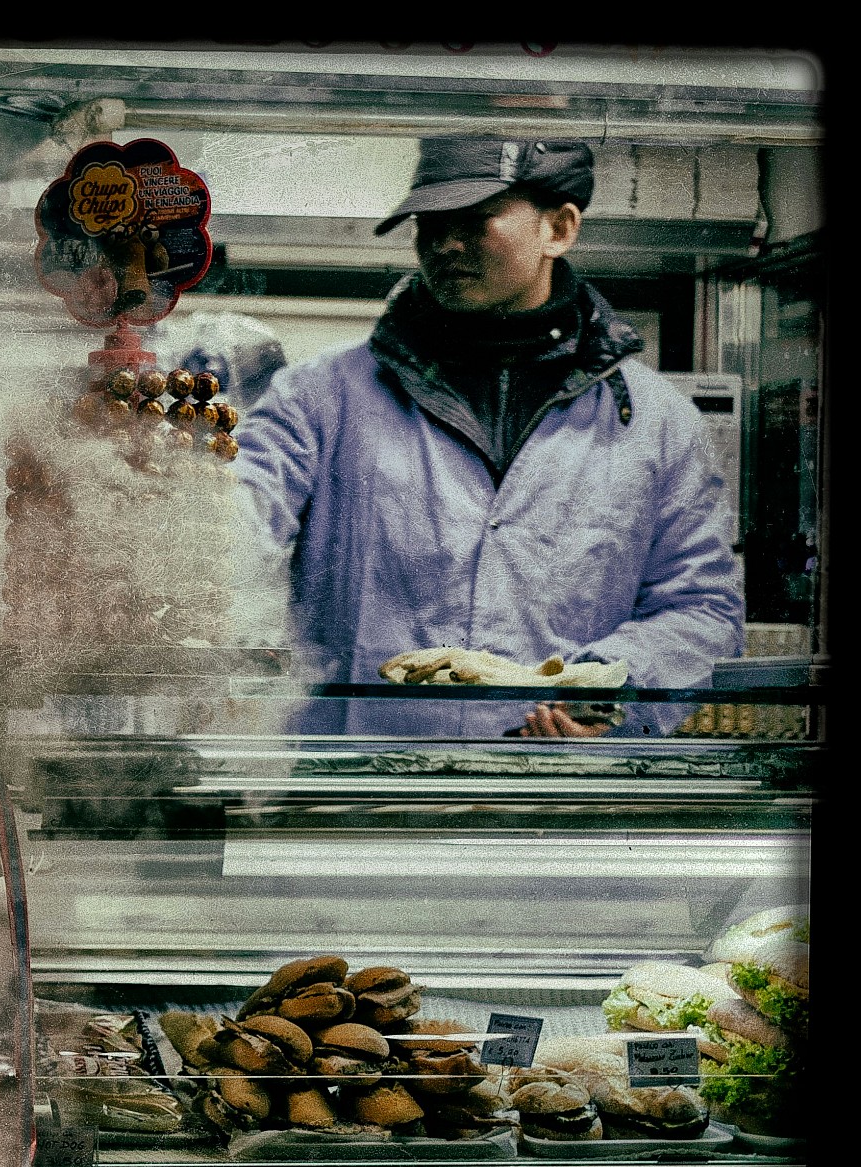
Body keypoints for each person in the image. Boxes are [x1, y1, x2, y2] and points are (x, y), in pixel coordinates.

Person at [233, 136, 742, 737]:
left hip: (557, 797)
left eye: (475, 222)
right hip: (363, 790)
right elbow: (231, 533)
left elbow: (701, 608)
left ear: (559, 229)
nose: (445, 245)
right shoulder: (318, 398)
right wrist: (150, 483)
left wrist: (598, 696)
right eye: (431, 224)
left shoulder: (657, 420)